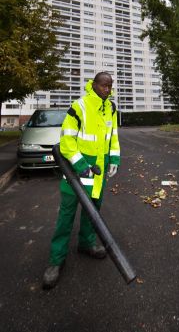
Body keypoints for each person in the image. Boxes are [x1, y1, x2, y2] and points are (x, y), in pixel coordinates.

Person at [42, 72, 120, 289]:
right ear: (93, 85)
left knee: (92, 211)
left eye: (110, 86)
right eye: (103, 85)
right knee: (66, 215)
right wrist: (80, 166)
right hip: (76, 173)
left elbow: (112, 137)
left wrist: (114, 158)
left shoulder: (111, 109)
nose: (107, 89)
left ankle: (86, 244)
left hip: (97, 172)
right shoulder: (79, 106)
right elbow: (66, 141)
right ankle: (55, 261)